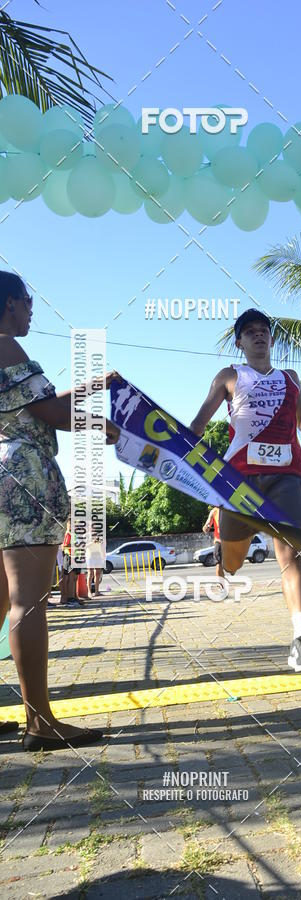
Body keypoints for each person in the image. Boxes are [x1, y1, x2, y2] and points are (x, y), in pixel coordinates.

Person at [0, 271, 119, 750]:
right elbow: (48, 412)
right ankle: (40, 723)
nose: (32, 310)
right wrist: (100, 421)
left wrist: (93, 384)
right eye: (28, 302)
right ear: (8, 304)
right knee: (28, 603)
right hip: (25, 477)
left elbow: (33, 404)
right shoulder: (6, 344)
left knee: (4, 603)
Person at [190, 308, 301, 671]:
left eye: (264, 331)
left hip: (286, 477)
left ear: (271, 337)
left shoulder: (290, 378)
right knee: (233, 563)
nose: (259, 336)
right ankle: (232, 549)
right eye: (250, 332)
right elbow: (199, 423)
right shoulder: (230, 377)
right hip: (239, 483)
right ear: (240, 341)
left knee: (290, 556)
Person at [61, 519, 81, 606]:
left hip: (75, 556)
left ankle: (73, 597)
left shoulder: (74, 534)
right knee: (71, 578)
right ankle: (70, 598)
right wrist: (74, 546)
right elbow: (64, 545)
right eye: (70, 524)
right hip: (69, 556)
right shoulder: (68, 534)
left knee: (74, 578)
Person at [202, 505, 224, 579]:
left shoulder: (231, 509)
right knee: (218, 563)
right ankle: (222, 586)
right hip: (219, 541)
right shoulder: (214, 511)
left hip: (231, 541)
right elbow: (206, 527)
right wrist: (206, 527)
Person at [85, 531, 105, 597]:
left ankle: (97, 591)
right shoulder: (87, 538)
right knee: (90, 574)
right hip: (90, 556)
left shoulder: (99, 539)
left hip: (98, 556)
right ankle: (89, 592)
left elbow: (102, 547)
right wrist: (92, 542)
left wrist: (103, 557)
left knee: (98, 574)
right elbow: (85, 546)